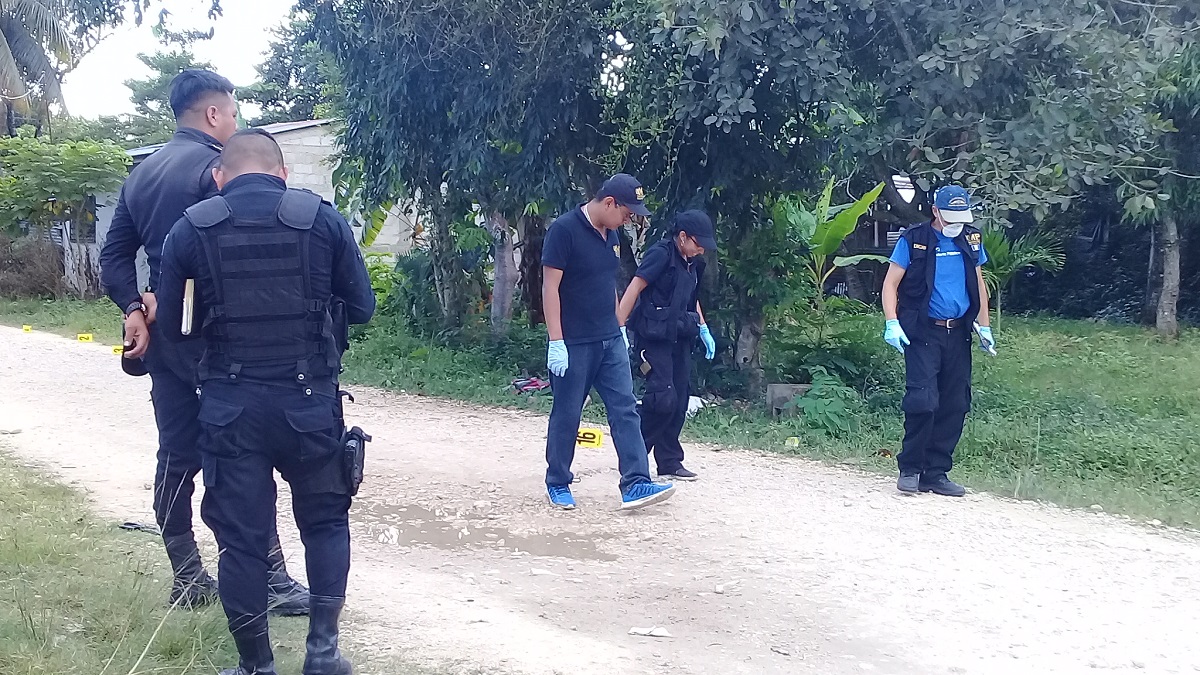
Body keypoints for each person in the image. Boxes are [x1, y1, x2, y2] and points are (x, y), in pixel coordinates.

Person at [157, 129, 375, 675]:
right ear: (281, 174)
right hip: (309, 404)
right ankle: (322, 654)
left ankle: (256, 666)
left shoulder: (191, 229)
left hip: (231, 409)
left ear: (219, 176)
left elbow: (177, 331)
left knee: (242, 543)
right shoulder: (321, 219)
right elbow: (364, 307)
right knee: (325, 524)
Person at [99, 69, 308, 613]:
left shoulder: (141, 174)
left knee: (175, 451)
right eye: (233, 113)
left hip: (165, 344)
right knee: (243, 455)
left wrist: (133, 308)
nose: (236, 123)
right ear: (214, 114)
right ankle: (274, 579)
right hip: (219, 344)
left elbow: (114, 255)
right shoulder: (217, 170)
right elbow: (232, 254)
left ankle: (187, 574)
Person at [542, 174, 677, 511]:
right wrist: (556, 340)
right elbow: (549, 288)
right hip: (574, 342)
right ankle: (557, 481)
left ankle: (636, 484)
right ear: (608, 203)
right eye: (627, 212)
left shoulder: (612, 234)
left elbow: (607, 283)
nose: (629, 218)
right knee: (568, 413)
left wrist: (618, 324)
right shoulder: (564, 230)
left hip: (608, 338)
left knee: (625, 410)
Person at [880, 185, 995, 497]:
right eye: (950, 216)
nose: (956, 222)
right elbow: (890, 285)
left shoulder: (971, 239)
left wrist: (984, 327)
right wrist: (892, 321)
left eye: (961, 216)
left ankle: (936, 473)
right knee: (923, 401)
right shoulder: (914, 239)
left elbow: (979, 285)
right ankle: (911, 469)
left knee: (955, 403)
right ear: (935, 212)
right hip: (923, 333)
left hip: (958, 333)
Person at [617, 210, 718, 481]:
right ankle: (635, 456)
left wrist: (704, 327)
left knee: (680, 398)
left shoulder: (694, 264)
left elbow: (691, 299)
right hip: (653, 337)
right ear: (682, 237)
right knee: (662, 399)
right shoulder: (660, 254)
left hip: (680, 336)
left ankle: (670, 461)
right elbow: (635, 287)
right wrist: (619, 327)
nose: (700, 249)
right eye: (698, 243)